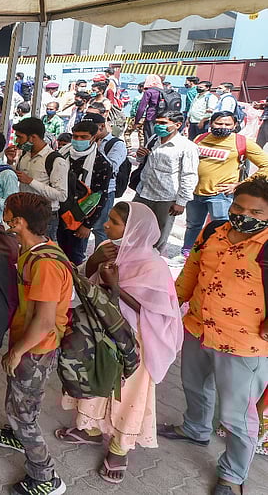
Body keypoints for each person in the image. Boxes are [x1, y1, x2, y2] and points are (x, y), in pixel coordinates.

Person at [57, 202, 183, 484]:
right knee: (96, 380)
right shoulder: (110, 250)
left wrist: (115, 287)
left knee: (128, 394)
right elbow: (83, 281)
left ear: (134, 229)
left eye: (114, 222)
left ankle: (119, 447)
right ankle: (90, 429)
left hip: (135, 342)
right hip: (102, 333)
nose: (106, 225)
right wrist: (94, 260)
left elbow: (156, 313)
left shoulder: (153, 266)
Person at [160, 176, 268, 495]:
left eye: (256, 212)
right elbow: (191, 270)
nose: (244, 215)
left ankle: (233, 475)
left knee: (237, 416)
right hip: (198, 327)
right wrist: (170, 306)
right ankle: (195, 429)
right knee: (194, 386)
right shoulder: (213, 230)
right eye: (239, 207)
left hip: (243, 344)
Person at [0, 192, 71, 495]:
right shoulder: (37, 249)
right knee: (20, 400)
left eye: (7, 215)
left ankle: (45, 475)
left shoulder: (45, 265)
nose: (4, 219)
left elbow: (45, 321)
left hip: (36, 348)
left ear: (19, 222)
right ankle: (16, 433)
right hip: (30, 343)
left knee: (23, 412)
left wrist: (17, 352)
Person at [180, 111, 268, 259]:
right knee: (193, 225)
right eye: (219, 123)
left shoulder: (242, 142)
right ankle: (187, 254)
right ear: (211, 123)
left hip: (220, 196)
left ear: (235, 125)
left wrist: (239, 185)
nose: (223, 127)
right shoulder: (200, 139)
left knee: (222, 228)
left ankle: (215, 256)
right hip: (195, 193)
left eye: (227, 124)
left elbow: (265, 166)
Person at [132, 111, 199, 252]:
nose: (158, 126)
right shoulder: (154, 139)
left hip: (166, 198)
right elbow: (144, 161)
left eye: (163, 123)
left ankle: (152, 261)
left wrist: (181, 202)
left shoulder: (187, 147)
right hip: (143, 193)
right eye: (157, 122)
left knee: (158, 235)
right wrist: (140, 155)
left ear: (177, 125)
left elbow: (189, 175)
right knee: (135, 230)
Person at [57, 120, 113, 264]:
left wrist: (87, 225)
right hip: (58, 210)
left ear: (93, 138)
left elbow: (99, 196)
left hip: (79, 216)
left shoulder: (101, 163)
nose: (78, 140)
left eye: (83, 137)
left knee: (74, 256)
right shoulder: (61, 154)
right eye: (75, 136)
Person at [9, 117, 68, 241]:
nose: (17, 141)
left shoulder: (55, 160)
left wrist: (31, 181)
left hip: (44, 217)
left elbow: (61, 195)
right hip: (25, 213)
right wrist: (10, 162)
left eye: (20, 137)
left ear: (33, 137)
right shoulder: (24, 155)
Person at [84, 113, 128, 248]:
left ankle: (101, 253)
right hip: (85, 189)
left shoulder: (116, 145)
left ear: (102, 126)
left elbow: (112, 167)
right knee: (82, 225)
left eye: (92, 129)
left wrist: (97, 150)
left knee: (101, 228)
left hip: (105, 191)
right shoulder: (86, 141)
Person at [134, 75, 164, 142]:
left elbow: (141, 108)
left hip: (151, 117)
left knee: (149, 138)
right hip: (161, 117)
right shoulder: (163, 91)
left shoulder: (149, 92)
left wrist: (136, 121)